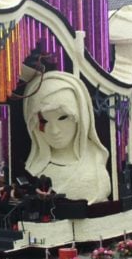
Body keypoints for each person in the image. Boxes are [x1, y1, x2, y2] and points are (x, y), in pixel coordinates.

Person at [23, 71, 111, 204]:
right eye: (44, 121)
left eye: (62, 118)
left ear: (80, 116)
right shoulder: (34, 171)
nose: (54, 130)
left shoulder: (96, 156)